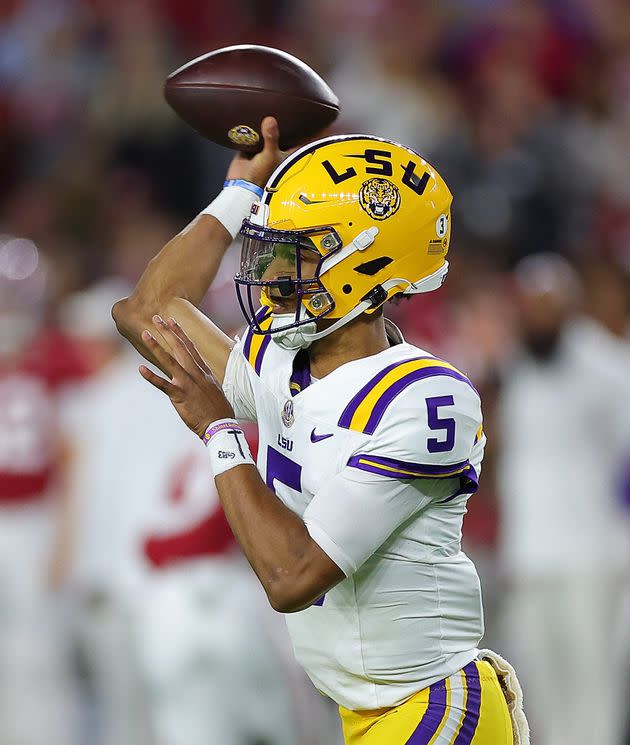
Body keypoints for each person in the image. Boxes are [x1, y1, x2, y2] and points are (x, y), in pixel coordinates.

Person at [113, 118, 527, 745]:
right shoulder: (283, 358)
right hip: (366, 711)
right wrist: (239, 195)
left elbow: (292, 576)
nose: (272, 273)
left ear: (370, 263)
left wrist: (221, 434)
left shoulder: (425, 399)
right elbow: (148, 310)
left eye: (297, 254)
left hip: (430, 708)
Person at [496, 253, 630, 745]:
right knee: (537, 691)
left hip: (592, 557)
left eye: (549, 307)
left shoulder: (607, 365)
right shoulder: (511, 367)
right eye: (532, 308)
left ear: (569, 307)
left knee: (592, 690)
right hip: (529, 558)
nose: (540, 317)